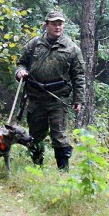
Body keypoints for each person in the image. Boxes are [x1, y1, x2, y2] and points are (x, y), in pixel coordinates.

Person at [15, 10, 85, 171]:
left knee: (59, 135)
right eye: (54, 24)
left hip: (58, 99)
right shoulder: (34, 45)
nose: (57, 27)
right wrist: (20, 72)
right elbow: (21, 63)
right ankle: (37, 168)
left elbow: (79, 76)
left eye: (60, 24)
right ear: (46, 25)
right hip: (35, 97)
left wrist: (78, 100)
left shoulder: (72, 48)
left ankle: (63, 171)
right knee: (35, 135)